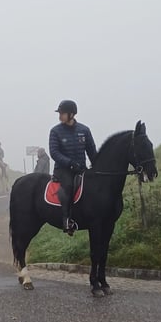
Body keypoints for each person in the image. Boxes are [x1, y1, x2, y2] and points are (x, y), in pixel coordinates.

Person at [48, 100, 96, 234]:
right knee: (69, 186)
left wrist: (97, 166)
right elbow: (54, 152)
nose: (59, 116)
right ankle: (67, 220)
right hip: (63, 170)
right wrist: (69, 163)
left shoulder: (84, 130)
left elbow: (92, 151)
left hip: (81, 168)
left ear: (71, 114)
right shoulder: (55, 131)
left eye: (62, 113)